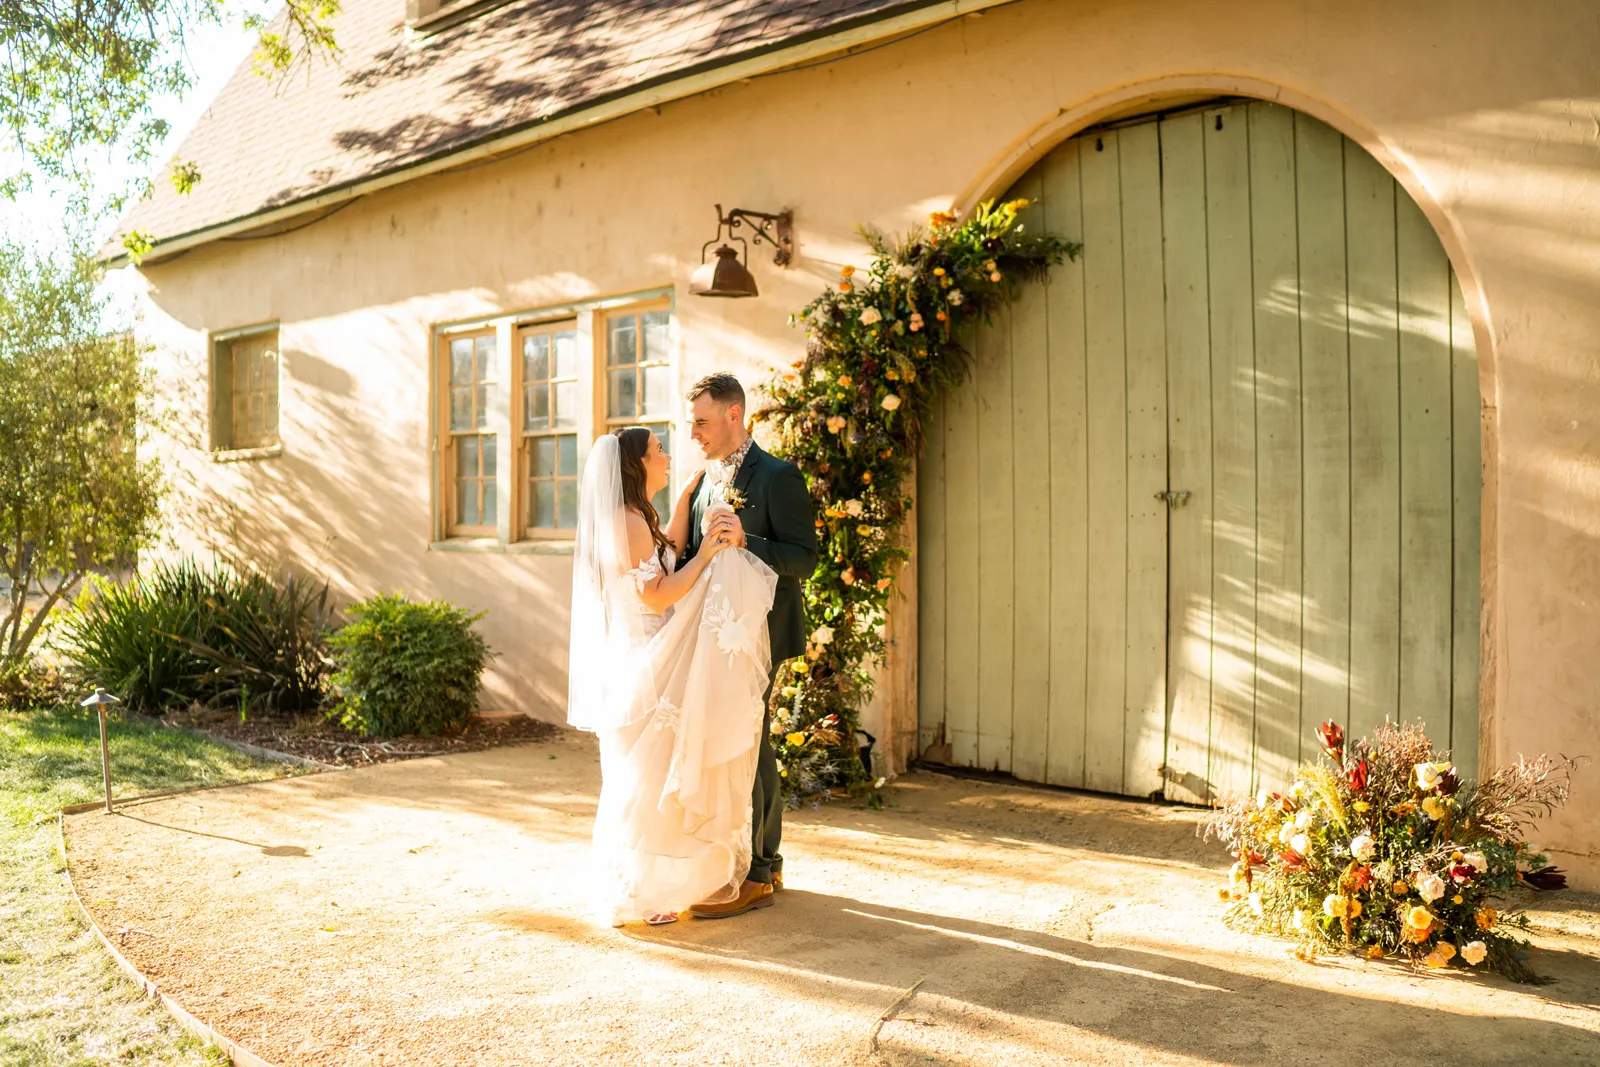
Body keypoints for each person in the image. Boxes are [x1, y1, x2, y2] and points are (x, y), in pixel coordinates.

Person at [567, 425, 778, 927]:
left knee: (656, 771)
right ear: (636, 465)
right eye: (658, 450)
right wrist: (707, 555)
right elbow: (656, 594)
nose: (666, 455)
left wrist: (686, 495)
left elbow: (664, 547)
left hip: (656, 651)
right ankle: (636, 887)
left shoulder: (639, 516)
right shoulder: (626, 521)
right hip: (643, 658)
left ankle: (652, 885)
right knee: (643, 774)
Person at [679, 373, 819, 919]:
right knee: (733, 740)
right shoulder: (704, 481)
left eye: (702, 421)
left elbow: (804, 558)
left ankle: (760, 870)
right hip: (714, 633)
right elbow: (693, 552)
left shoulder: (780, 477)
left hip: (758, 634)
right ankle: (757, 858)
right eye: (692, 421)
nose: (694, 432)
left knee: (752, 739)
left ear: (734, 415)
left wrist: (749, 540)